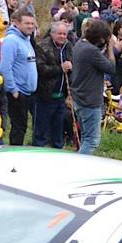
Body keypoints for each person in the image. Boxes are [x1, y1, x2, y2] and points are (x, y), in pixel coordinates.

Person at [69, 19, 115, 156]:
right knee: (91, 140)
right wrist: (111, 48)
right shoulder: (91, 51)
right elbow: (111, 68)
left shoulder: (80, 44)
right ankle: (80, 166)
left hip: (79, 97)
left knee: (85, 136)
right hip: (89, 101)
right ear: (100, 38)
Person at [2, 10, 38, 146]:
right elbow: (5, 67)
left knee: (23, 127)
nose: (30, 26)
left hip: (29, 92)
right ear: (17, 23)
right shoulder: (11, 41)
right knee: (18, 128)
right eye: (27, 23)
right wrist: (13, 90)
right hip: (18, 93)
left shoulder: (26, 39)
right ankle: (13, 156)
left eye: (32, 23)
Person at [33, 21, 71, 149]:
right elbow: (40, 69)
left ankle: (57, 150)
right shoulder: (42, 47)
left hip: (61, 96)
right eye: (60, 34)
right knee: (41, 130)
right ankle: (38, 151)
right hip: (45, 95)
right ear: (52, 33)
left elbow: (71, 64)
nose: (62, 37)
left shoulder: (68, 46)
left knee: (58, 129)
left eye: (65, 34)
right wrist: (60, 68)